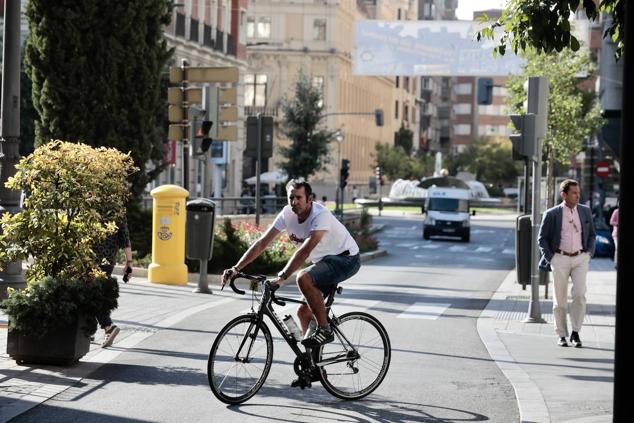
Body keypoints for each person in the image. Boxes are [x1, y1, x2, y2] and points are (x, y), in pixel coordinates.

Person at [222, 180, 360, 379]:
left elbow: (305, 250)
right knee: (303, 312)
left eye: (299, 198)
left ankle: (325, 329)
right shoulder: (287, 214)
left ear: (310, 199)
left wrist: (281, 278)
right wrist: (236, 268)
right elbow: (262, 243)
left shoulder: (321, 215)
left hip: (346, 259)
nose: (294, 202)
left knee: (303, 277)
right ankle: (314, 366)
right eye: (291, 197)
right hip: (325, 261)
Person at [538, 179, 596, 348]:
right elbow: (542, 238)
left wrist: (589, 253)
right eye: (574, 193)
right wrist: (551, 258)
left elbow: (592, 235)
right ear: (564, 194)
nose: (578, 196)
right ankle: (561, 334)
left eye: (579, 193)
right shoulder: (552, 214)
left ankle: (576, 332)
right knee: (560, 299)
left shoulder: (585, 211)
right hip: (560, 258)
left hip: (580, 258)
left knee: (579, 294)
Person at [93, 218, 133, 347]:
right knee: (94, 293)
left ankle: (108, 327)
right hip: (108, 260)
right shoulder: (118, 212)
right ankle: (89, 331)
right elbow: (125, 239)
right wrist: (129, 262)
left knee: (93, 294)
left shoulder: (90, 205)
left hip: (90, 257)